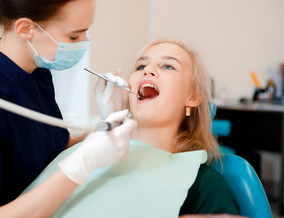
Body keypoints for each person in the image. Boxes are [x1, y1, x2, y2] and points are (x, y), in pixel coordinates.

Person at [0, 0, 137, 217]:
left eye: (86, 32)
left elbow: (46, 150)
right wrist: (84, 162)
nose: (84, 43)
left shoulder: (36, 72)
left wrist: (100, 131)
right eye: (74, 36)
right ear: (26, 28)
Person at [21, 39, 241, 217]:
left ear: (192, 97)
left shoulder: (203, 186)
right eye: (141, 66)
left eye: (168, 66)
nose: (149, 71)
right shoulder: (87, 154)